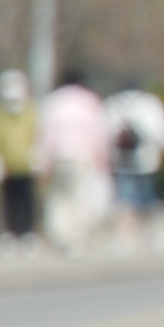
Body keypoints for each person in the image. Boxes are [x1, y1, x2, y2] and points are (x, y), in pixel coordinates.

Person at [38, 76, 112, 252]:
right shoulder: (89, 100)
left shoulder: (53, 101)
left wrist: (44, 162)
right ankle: (77, 239)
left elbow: (46, 134)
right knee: (80, 197)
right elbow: (98, 132)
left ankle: (61, 236)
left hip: (59, 156)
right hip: (82, 155)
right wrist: (102, 157)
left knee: (58, 198)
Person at [106, 87, 164, 243]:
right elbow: (162, 133)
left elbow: (105, 131)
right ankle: (150, 233)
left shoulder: (112, 104)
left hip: (120, 160)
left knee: (122, 199)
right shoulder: (150, 104)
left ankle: (122, 236)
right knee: (147, 198)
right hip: (146, 159)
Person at [0, 70, 42, 249]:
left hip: (26, 166)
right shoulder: (0, 116)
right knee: (9, 202)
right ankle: (10, 233)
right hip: (8, 167)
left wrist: (37, 154)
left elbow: (37, 134)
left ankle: (27, 233)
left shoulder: (31, 113)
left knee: (27, 201)